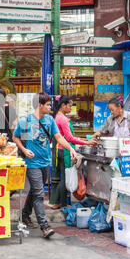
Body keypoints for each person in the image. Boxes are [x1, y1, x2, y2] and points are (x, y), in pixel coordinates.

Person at [13, 92, 78, 239]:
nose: (50, 107)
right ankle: (45, 226)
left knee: (36, 191)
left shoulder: (49, 120)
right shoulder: (27, 121)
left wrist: (71, 148)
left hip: (45, 162)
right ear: (40, 105)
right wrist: (24, 149)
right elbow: (15, 136)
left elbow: (59, 137)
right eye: (48, 104)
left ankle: (24, 215)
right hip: (32, 163)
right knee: (39, 193)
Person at [50, 95, 97, 210]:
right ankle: (61, 203)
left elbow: (68, 137)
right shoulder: (63, 119)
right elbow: (70, 138)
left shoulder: (58, 117)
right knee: (66, 178)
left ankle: (59, 202)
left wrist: (83, 140)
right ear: (63, 105)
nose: (71, 108)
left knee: (62, 177)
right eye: (70, 106)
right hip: (65, 151)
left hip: (59, 150)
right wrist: (86, 143)